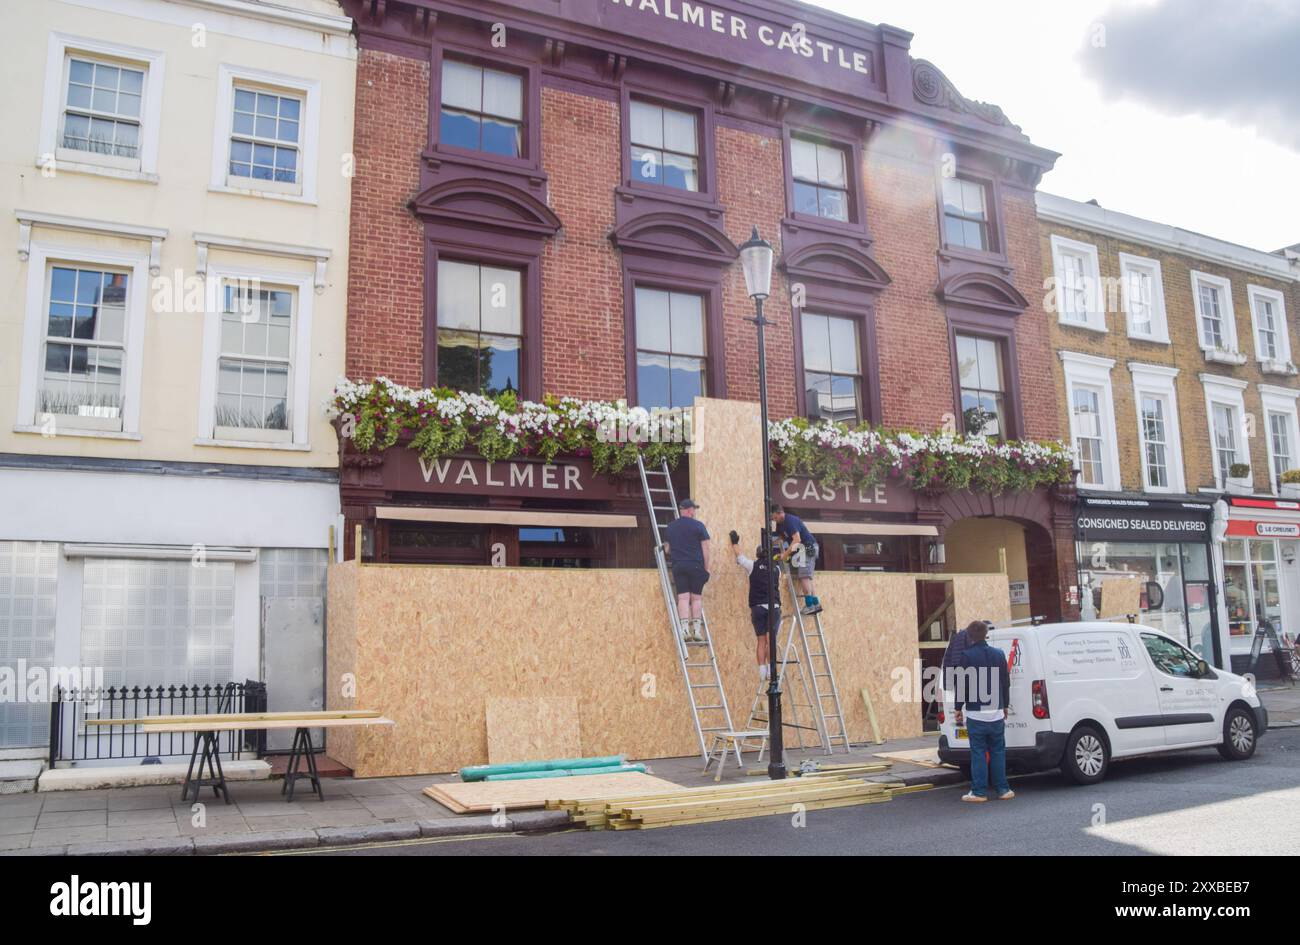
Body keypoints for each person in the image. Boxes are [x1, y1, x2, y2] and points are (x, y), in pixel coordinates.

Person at [955, 620, 1014, 803]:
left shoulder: (966, 656)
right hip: (996, 711)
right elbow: (1005, 682)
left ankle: (979, 792)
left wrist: (958, 707)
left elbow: (962, 685)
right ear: (986, 634)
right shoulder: (999, 654)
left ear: (970, 636)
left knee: (978, 752)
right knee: (998, 751)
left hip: (976, 712)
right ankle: (1003, 789)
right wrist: (1005, 705)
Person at [729, 530, 780, 682]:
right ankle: (772, 672)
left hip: (758, 607)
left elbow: (740, 556)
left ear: (758, 555)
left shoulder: (752, 566)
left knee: (761, 640)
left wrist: (734, 542)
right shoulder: (776, 569)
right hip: (774, 606)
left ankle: (762, 671)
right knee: (772, 640)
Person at [663, 498, 711, 644]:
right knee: (696, 598)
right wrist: (706, 569)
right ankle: (696, 631)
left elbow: (667, 549)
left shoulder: (670, 527)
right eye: (694, 509)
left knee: (683, 598)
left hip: (679, 565)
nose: (694, 512)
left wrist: (679, 550)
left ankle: (684, 630)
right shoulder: (699, 526)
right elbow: (706, 548)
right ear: (689, 510)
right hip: (696, 566)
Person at [770, 504, 821, 615]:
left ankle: (810, 606)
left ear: (780, 513)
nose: (774, 520)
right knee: (806, 577)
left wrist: (785, 554)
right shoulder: (780, 524)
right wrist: (771, 543)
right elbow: (782, 538)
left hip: (808, 548)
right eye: (773, 519)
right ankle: (815, 603)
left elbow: (797, 539)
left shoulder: (790, 521)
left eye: (775, 517)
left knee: (804, 576)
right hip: (802, 550)